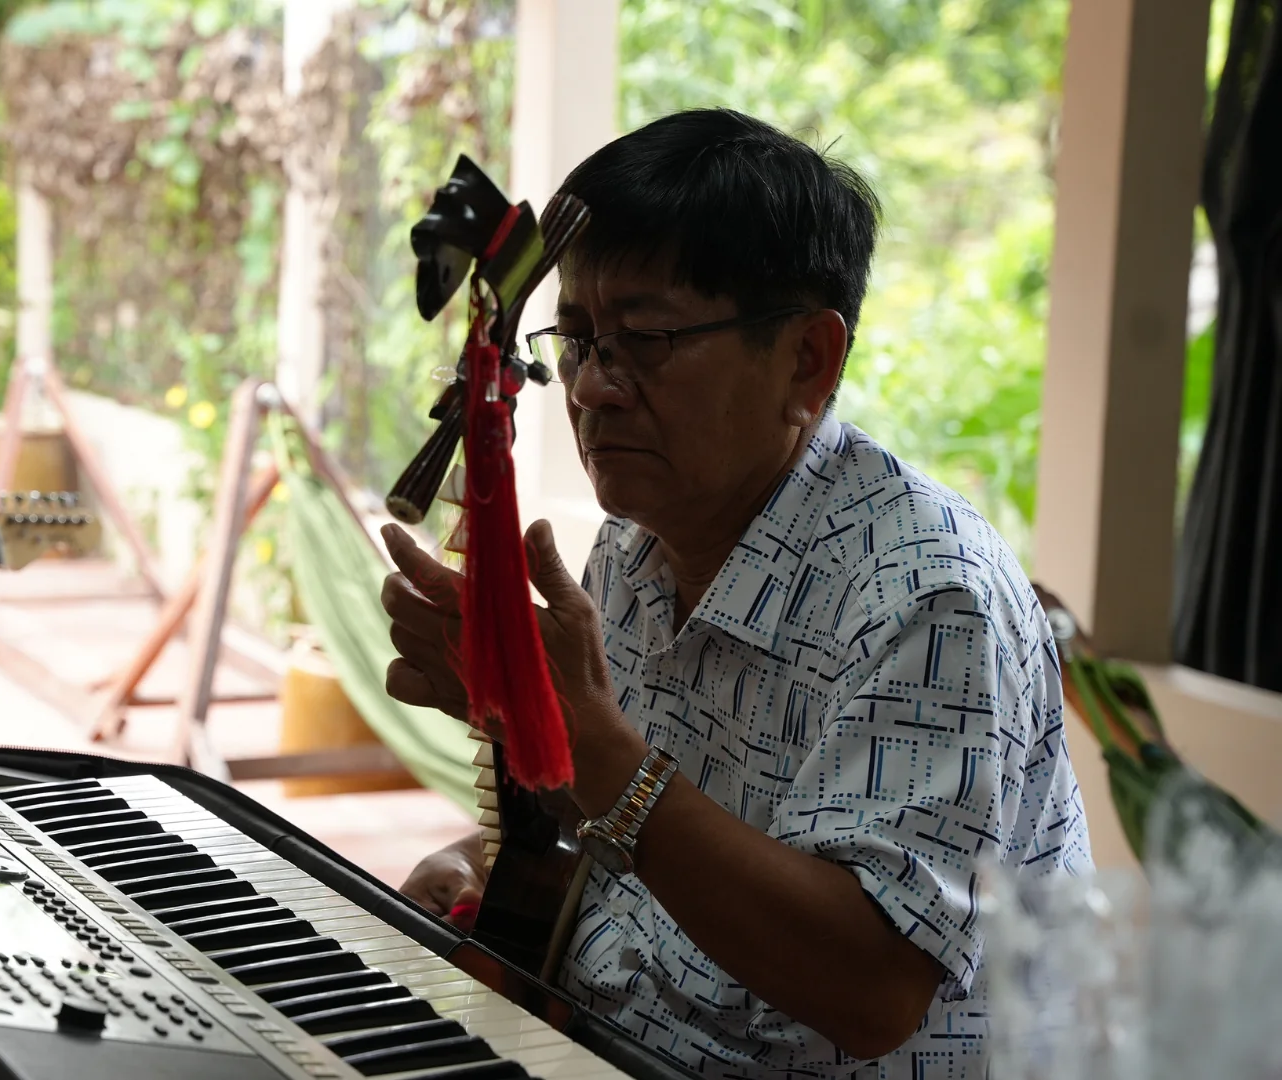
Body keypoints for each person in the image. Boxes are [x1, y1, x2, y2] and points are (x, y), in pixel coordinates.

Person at [381, 109, 1090, 1078]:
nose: (592, 388)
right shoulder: (631, 550)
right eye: (580, 339)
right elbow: (613, 826)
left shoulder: (927, 596)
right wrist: (481, 854)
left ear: (808, 359)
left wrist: (593, 754)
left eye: (647, 337)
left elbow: (873, 990)